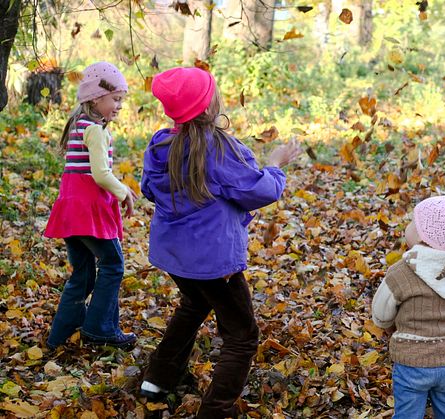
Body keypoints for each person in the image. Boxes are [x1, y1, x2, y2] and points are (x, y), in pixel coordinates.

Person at [138, 67, 302, 418]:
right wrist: (275, 164)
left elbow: (149, 189)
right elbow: (259, 190)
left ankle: (157, 379)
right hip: (215, 264)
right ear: (209, 104)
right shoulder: (220, 148)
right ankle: (216, 410)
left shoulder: (160, 144)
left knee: (193, 305)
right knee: (242, 337)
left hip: (175, 257)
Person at [44, 61, 138, 350]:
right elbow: (100, 174)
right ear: (96, 98)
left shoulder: (78, 124)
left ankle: (60, 335)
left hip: (72, 209)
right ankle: (99, 328)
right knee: (113, 264)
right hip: (88, 210)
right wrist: (124, 192)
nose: (119, 106)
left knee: (83, 273)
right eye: (116, 99)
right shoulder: (95, 130)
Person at [371, 195, 445, 418]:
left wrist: (389, 326)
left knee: (408, 413)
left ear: (422, 235)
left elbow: (380, 314)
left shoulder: (402, 272)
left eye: (413, 223)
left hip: (412, 360)